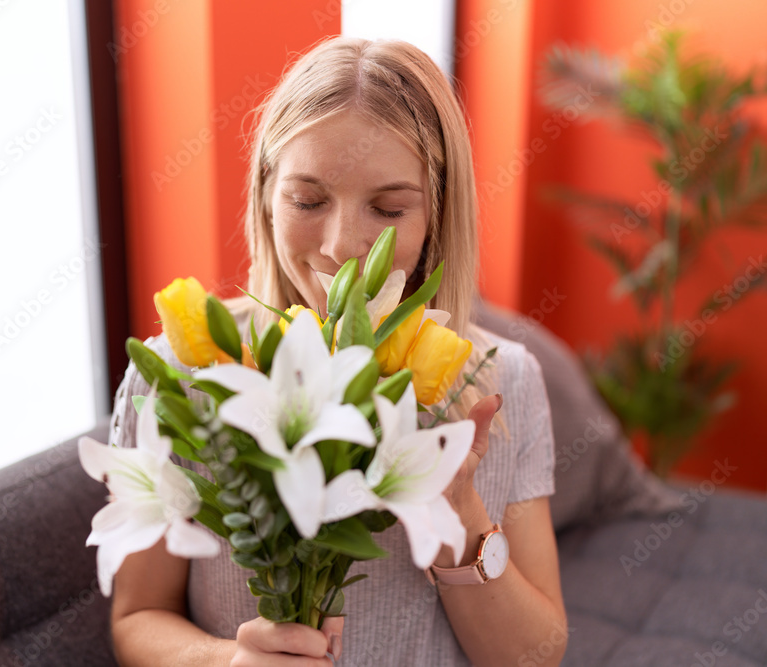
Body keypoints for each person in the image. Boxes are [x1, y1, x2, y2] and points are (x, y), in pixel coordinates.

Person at [105, 36, 567, 665]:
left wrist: (458, 512)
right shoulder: (183, 372)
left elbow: (533, 657)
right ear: (266, 195)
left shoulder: (501, 379)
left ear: (438, 213)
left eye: (388, 208)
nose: (341, 247)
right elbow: (136, 616)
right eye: (308, 200)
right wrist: (227, 662)